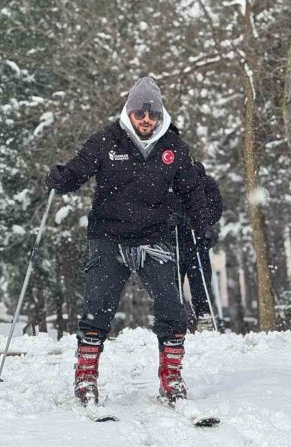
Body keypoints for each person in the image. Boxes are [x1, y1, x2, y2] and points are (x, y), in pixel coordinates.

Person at [46, 76, 211, 406]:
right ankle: (85, 378)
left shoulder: (173, 147)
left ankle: (171, 379)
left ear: (160, 115)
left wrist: (202, 220)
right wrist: (62, 179)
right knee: (96, 309)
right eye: (140, 114)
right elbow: (78, 170)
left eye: (152, 114)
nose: (146, 120)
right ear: (129, 113)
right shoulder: (107, 140)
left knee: (171, 308)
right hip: (109, 237)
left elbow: (191, 190)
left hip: (155, 238)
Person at [169, 162, 223, 332]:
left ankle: (204, 316)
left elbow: (216, 209)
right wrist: (170, 220)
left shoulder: (206, 184)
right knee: (172, 282)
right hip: (174, 241)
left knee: (200, 280)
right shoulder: (168, 184)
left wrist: (201, 221)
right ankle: (176, 318)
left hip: (197, 240)